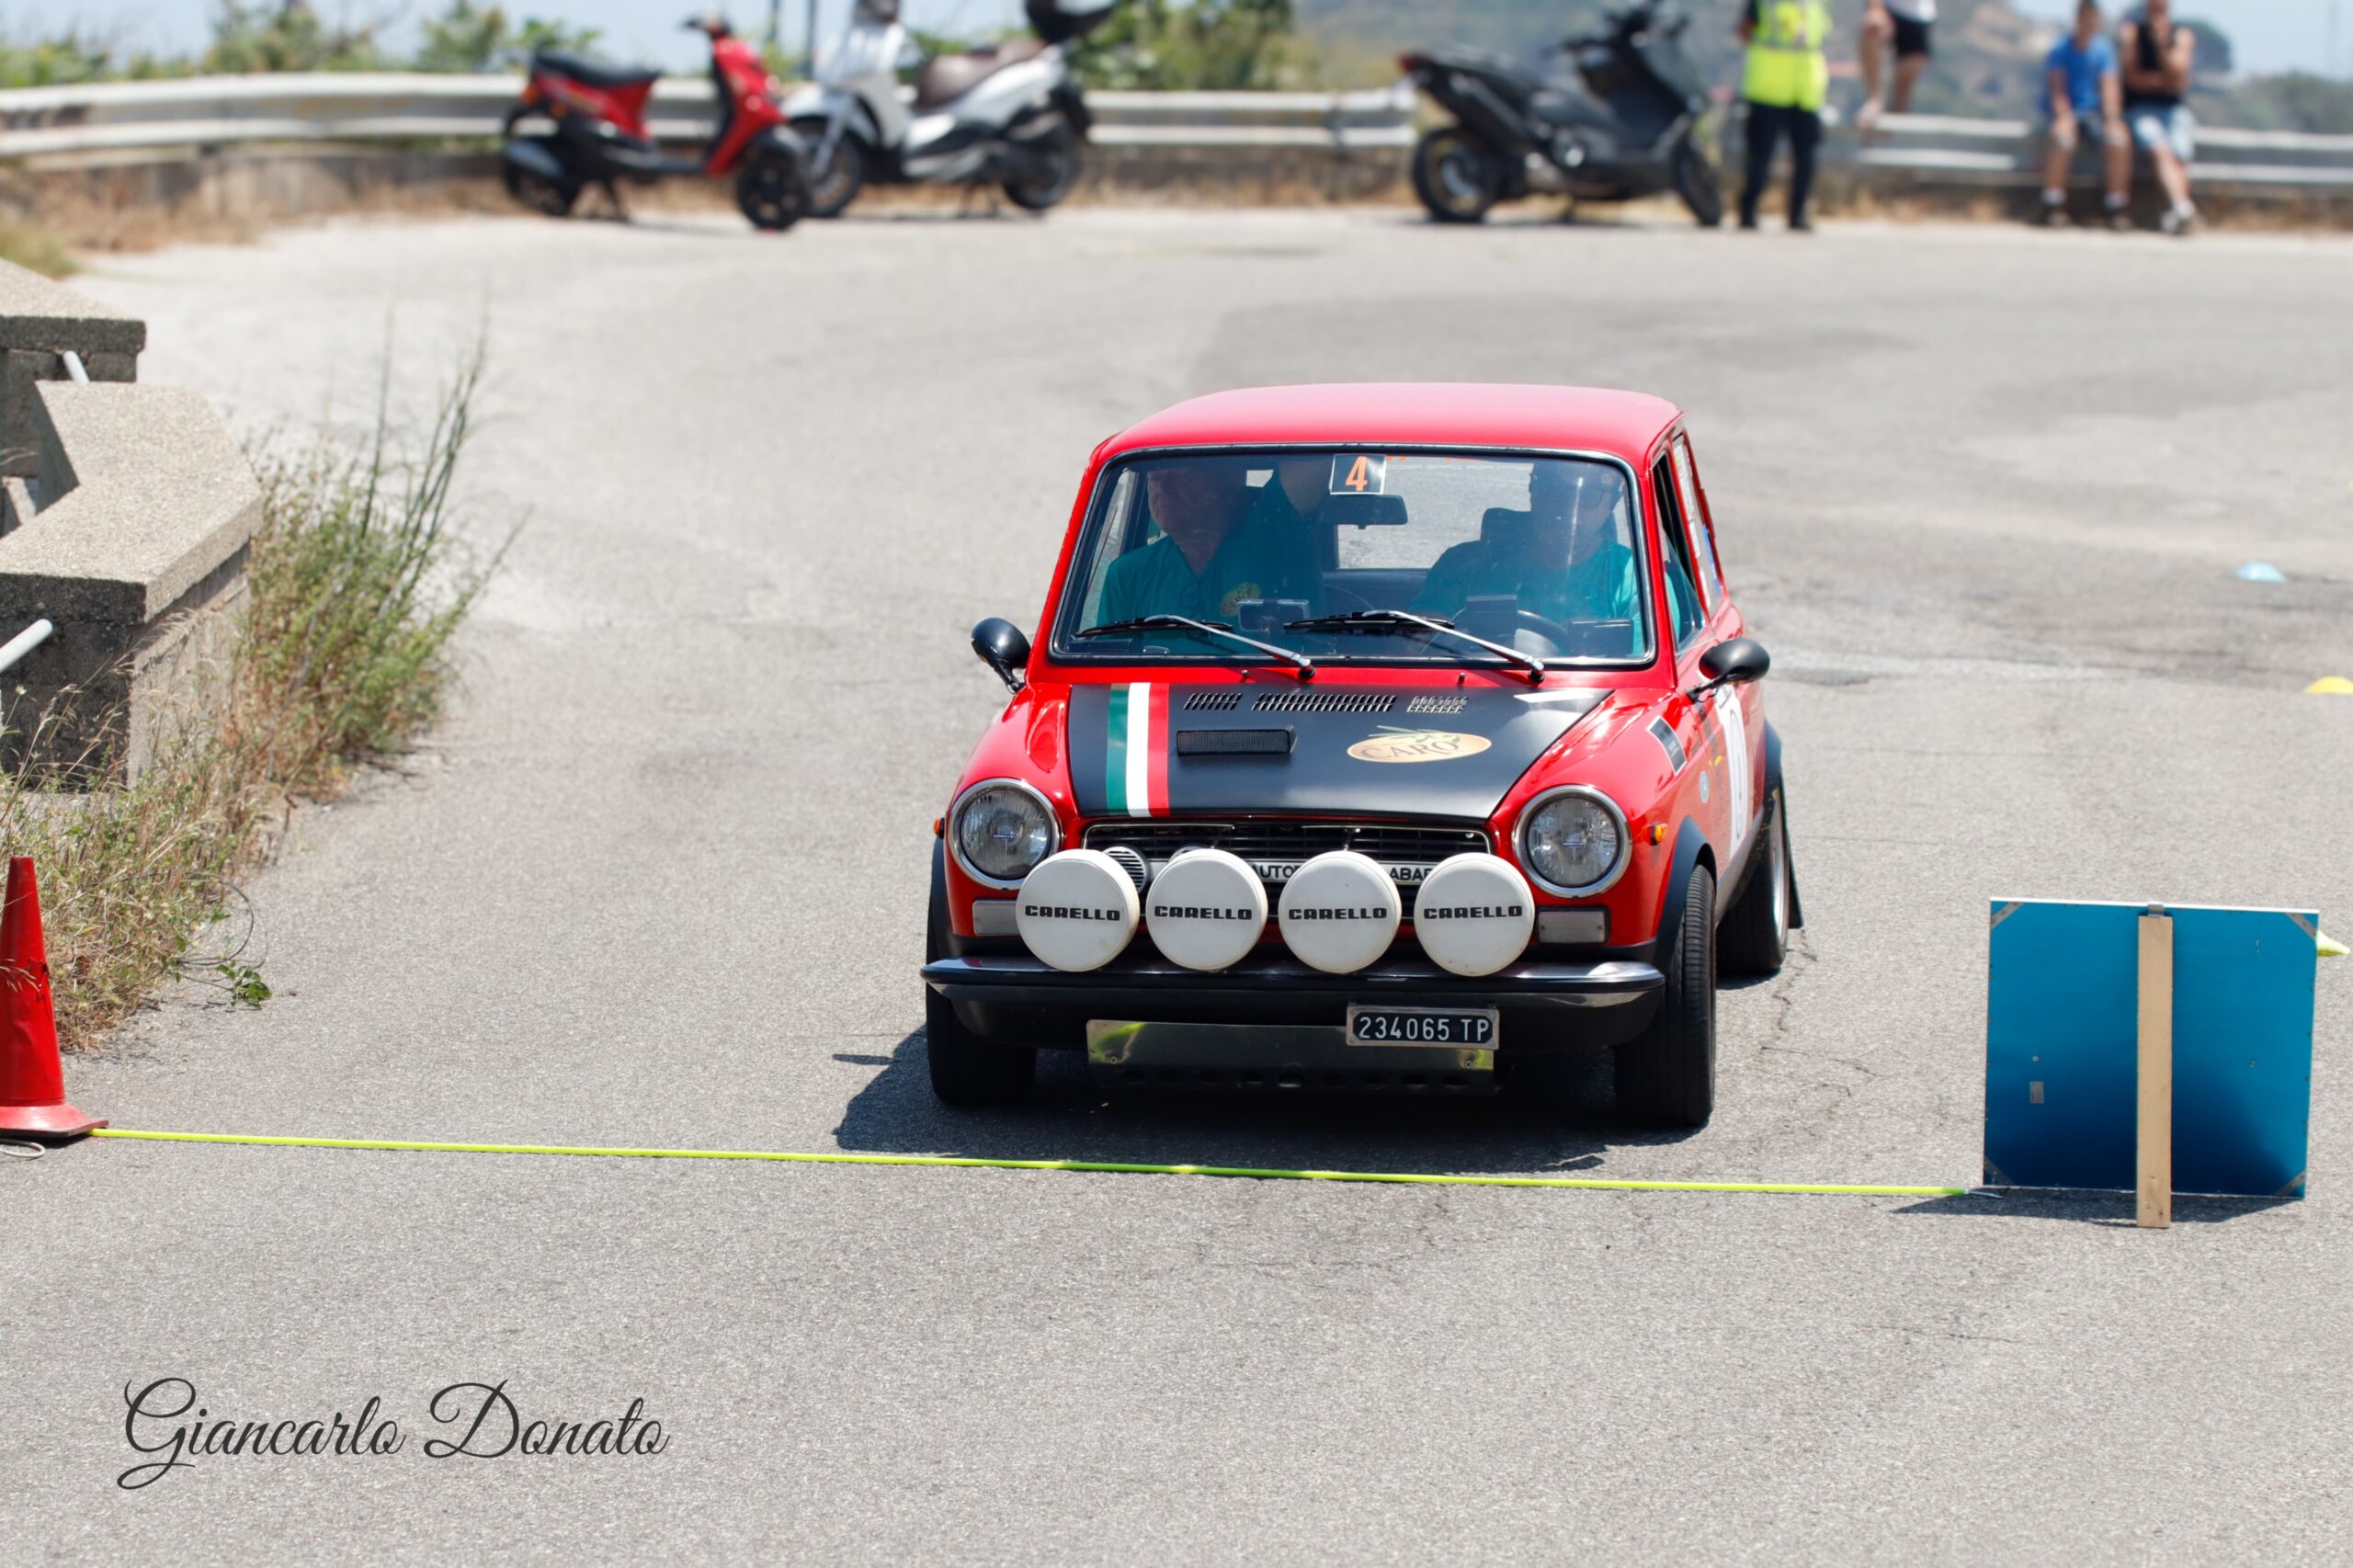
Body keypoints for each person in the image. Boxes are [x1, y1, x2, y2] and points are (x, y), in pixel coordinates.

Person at [1097, 460, 1314, 627]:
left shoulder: (1272, 545)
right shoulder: (1127, 574)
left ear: (1227, 481)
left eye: (1179, 475)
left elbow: (1310, 464)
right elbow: (1103, 674)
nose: (1163, 488)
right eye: (1154, 479)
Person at [1414, 465, 1638, 626]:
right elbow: (1419, 644)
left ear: (1613, 502)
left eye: (1587, 495)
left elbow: (1642, 686)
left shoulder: (1636, 584)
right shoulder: (1460, 565)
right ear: (1534, 489)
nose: (1568, 507)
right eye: (1555, 489)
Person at [1738, 0, 1833, 233]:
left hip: (1805, 91)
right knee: (1760, 156)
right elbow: (1745, 30)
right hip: (1769, 87)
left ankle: (1797, 214)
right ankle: (1748, 212)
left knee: (1806, 158)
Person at [2040, 0, 2131, 227]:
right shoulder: (2060, 48)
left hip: (2095, 115)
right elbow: (2057, 90)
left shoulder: (2104, 50)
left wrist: (2111, 119)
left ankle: (2116, 206)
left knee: (2119, 141)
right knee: (2063, 140)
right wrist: (2064, 116)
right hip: (2069, 113)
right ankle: (2053, 204)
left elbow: (2109, 87)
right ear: (2077, 19)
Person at [2120, 0, 2200, 234]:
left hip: (2173, 110)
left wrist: (2162, 44)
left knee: (2180, 155)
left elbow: (2179, 77)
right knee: (2160, 148)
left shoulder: (2181, 35)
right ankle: (2182, 207)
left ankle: (2179, 210)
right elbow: (2132, 77)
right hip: (2142, 109)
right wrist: (2166, 81)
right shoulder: (2132, 32)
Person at [1855, 0, 1934, 131]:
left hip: (1918, 15)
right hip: (1888, 7)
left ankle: (1896, 124)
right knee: (1873, 27)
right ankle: (1874, 100)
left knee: (1904, 84)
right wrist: (1874, 8)